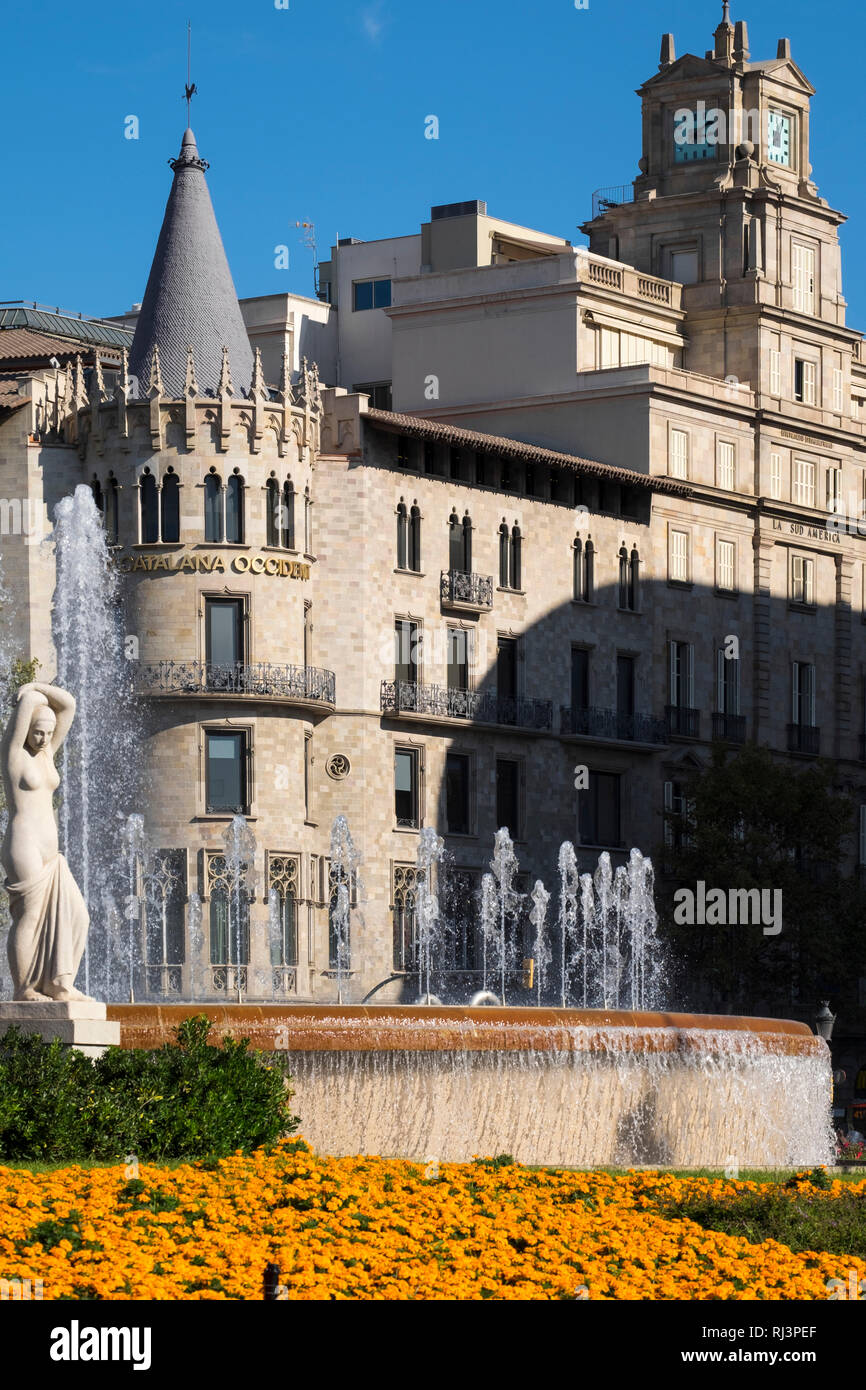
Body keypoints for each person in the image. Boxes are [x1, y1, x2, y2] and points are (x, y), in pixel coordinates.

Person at [1, 681, 90, 1002]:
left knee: (79, 914)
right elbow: (28, 707)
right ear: (26, 729)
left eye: (49, 733)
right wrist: (30, 696)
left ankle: (57, 983)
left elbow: (68, 705)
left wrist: (35, 685)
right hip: (22, 843)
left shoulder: (47, 754)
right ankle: (24, 988)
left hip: (50, 853)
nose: (44, 739)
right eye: (38, 732)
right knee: (30, 914)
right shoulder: (13, 755)